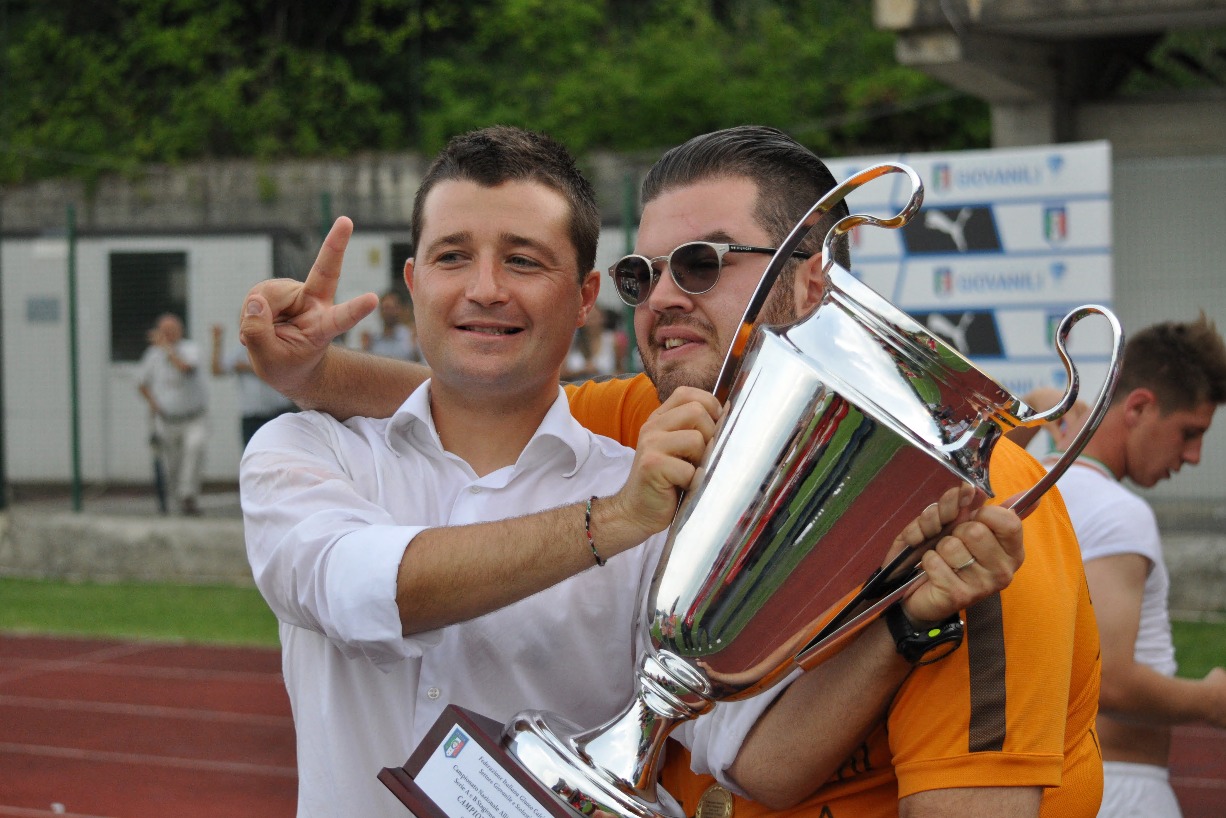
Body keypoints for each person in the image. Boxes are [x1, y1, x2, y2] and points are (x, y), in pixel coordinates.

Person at [238, 126, 1086, 817]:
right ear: (412, 282)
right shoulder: (309, 450)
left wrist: (911, 625)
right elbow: (359, 584)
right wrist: (313, 375)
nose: (486, 288)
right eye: (453, 257)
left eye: (704, 263)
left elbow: (755, 754)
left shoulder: (956, 495)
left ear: (579, 298)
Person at [1029, 317, 1226, 818]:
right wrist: (1211, 700)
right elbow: (1111, 680)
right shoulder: (1119, 512)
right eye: (1189, 432)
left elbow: (1041, 398)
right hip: (1121, 787)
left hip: (1057, 779)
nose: (1195, 455)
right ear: (1139, 406)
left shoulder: (1040, 479)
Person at [137, 313, 208, 516]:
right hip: (166, 419)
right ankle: (176, 500)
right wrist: (153, 403)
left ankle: (188, 496)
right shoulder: (152, 355)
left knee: (194, 449)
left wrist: (167, 349)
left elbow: (186, 369)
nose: (167, 335)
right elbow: (142, 383)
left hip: (193, 417)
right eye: (164, 331)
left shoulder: (190, 349)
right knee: (171, 464)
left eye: (171, 331)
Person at [211, 323, 295, 445]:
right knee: (253, 460)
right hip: (252, 418)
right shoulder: (240, 352)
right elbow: (217, 370)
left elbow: (278, 370)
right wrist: (217, 341)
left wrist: (248, 368)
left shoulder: (278, 347)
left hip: (279, 414)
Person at [361, 289, 420, 361]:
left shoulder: (410, 338)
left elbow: (421, 364)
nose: (388, 312)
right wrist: (365, 349)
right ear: (379, 311)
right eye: (385, 308)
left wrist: (415, 350)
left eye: (392, 308)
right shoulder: (373, 340)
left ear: (399, 309)